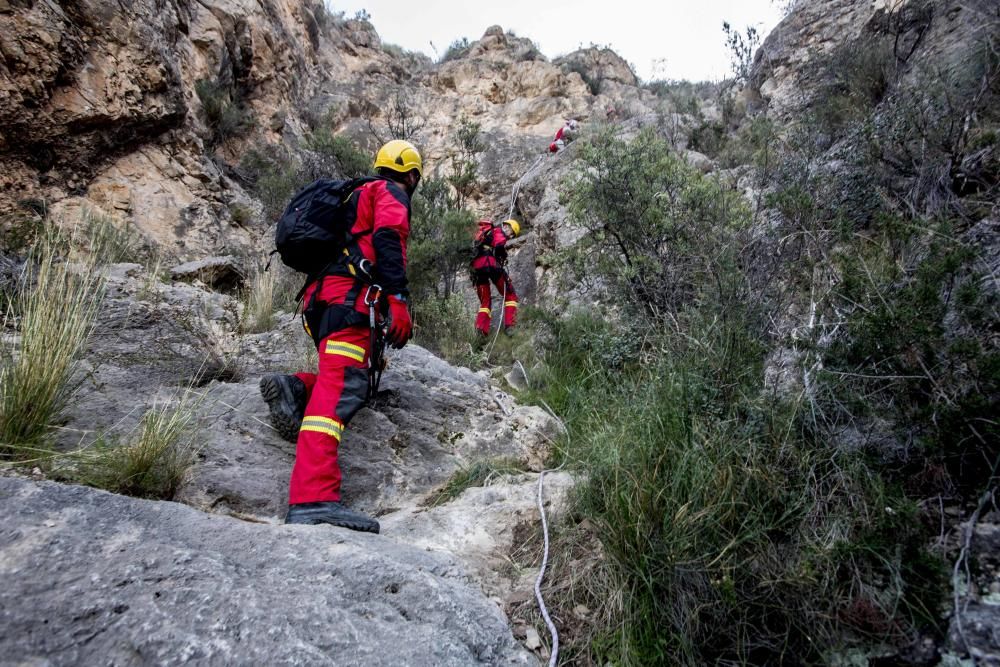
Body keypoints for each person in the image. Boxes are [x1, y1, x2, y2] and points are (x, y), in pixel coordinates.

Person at [259, 139, 421, 534]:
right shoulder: (389, 193)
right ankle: (312, 498)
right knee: (340, 390)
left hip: (322, 302)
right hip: (348, 302)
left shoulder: (354, 193)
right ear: (412, 174)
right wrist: (397, 299)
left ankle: (295, 387)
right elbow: (388, 238)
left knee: (351, 381)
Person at [470, 218, 520, 336]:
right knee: (510, 295)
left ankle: (481, 330)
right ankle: (510, 327)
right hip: (490, 265)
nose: (510, 235)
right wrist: (502, 255)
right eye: (512, 233)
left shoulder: (484, 234)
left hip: (476, 269)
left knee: (485, 301)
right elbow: (498, 246)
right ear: (510, 231)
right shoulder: (498, 232)